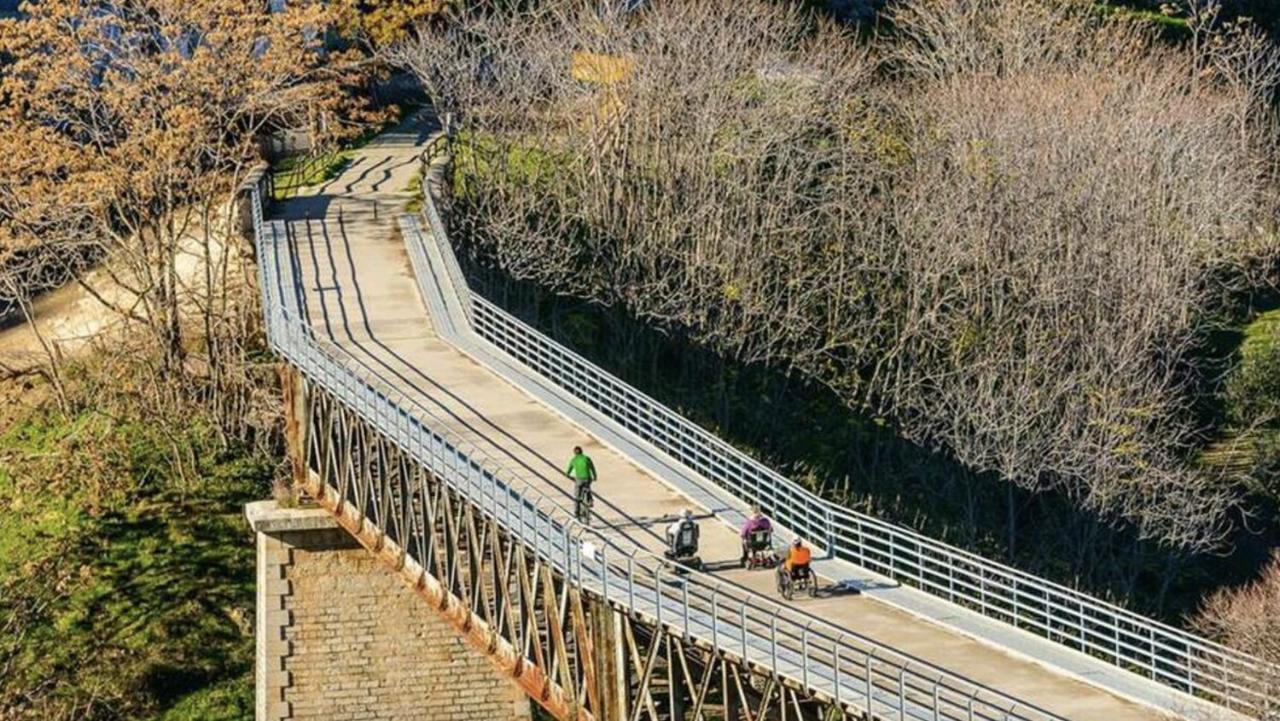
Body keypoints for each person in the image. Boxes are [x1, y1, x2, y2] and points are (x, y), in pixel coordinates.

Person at [565, 446, 597, 519]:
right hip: (587, 478)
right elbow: (592, 468)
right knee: (588, 487)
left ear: (574, 453)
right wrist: (595, 476)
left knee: (577, 496)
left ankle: (576, 512)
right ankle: (590, 500)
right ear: (582, 451)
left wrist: (568, 476)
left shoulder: (574, 460)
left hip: (579, 479)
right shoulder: (587, 458)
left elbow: (568, 471)